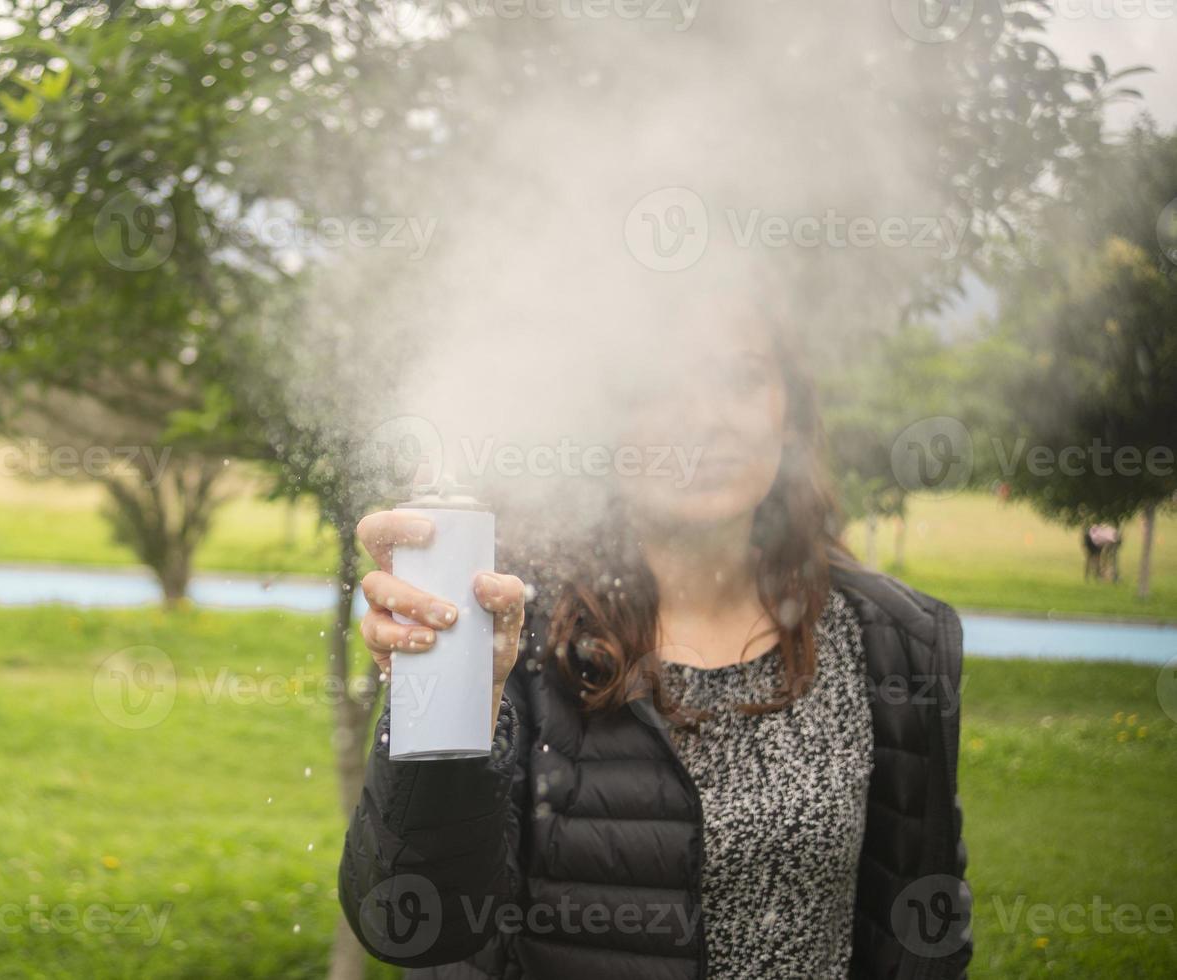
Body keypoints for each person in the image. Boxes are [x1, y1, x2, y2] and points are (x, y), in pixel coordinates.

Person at [337, 325, 971, 979]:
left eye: (741, 375)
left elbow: (923, 936)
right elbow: (412, 920)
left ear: (790, 410)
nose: (703, 418)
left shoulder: (894, 636)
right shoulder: (507, 623)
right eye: (654, 382)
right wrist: (451, 689)